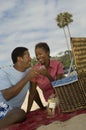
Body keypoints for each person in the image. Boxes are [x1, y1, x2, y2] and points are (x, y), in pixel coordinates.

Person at [0, 47, 44, 129]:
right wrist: (27, 77)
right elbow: (7, 95)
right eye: (28, 56)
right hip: (2, 106)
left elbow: (33, 92)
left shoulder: (29, 71)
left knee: (20, 114)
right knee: (19, 114)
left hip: (14, 111)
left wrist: (42, 107)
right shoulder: (4, 72)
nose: (31, 59)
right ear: (19, 59)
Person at [28, 42, 64, 111]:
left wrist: (47, 75)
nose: (38, 57)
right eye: (37, 55)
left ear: (48, 53)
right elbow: (32, 93)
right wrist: (28, 111)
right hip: (50, 100)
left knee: (51, 110)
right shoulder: (35, 70)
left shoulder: (57, 64)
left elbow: (59, 86)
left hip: (61, 95)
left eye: (40, 54)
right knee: (50, 109)